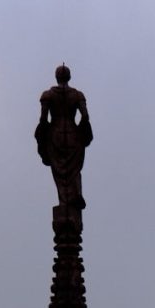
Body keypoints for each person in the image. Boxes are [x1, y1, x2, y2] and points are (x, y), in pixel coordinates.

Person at [35, 64, 93, 210]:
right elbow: (85, 116)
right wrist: (81, 130)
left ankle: (64, 201)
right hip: (73, 134)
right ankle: (76, 194)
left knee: (59, 171)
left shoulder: (48, 95)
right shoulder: (77, 95)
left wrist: (43, 134)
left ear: (56, 77)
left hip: (55, 135)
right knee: (74, 169)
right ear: (69, 77)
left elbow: (43, 119)